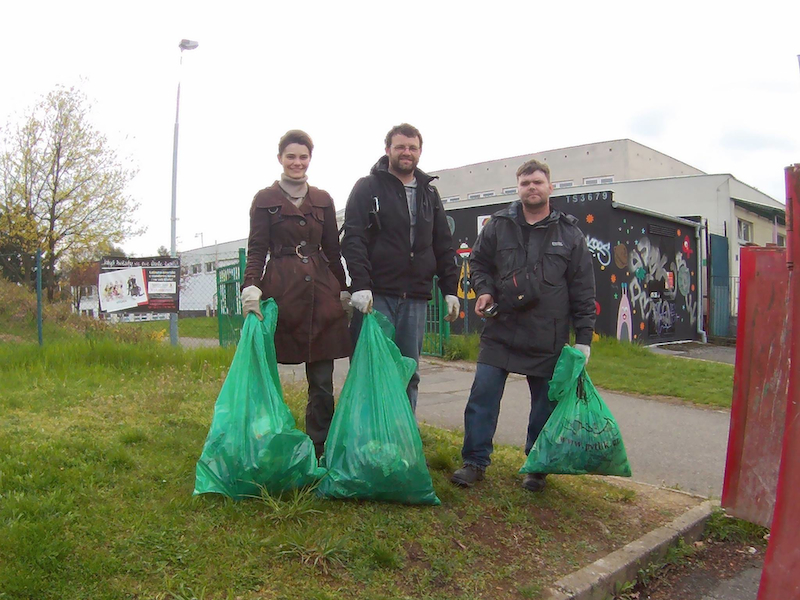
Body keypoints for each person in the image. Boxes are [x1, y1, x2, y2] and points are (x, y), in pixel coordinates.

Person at [450, 158, 596, 492]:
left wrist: (584, 338)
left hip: (548, 333)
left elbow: (583, 289)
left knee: (544, 405)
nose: (532, 188)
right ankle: (474, 462)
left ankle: (537, 466)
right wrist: (484, 291)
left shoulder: (570, 234)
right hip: (501, 328)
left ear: (550, 187)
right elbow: (478, 264)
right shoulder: (499, 225)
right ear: (518, 188)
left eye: (538, 182)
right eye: (526, 183)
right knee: (482, 395)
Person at [240, 130, 352, 459]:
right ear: (280, 159)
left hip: (322, 297)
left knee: (321, 380)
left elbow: (333, 249)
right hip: (282, 294)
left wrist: (342, 289)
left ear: (309, 160)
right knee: (266, 376)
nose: (297, 162)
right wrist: (250, 286)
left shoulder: (323, 199)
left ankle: (320, 448)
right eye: (291, 156)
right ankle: (268, 442)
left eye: (303, 157)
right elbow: (257, 248)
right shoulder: (265, 199)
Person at [341, 123, 460, 412]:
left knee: (408, 372)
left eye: (412, 147)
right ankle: (365, 438)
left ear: (419, 152)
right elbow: (353, 237)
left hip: (415, 299)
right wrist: (360, 285)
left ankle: (402, 440)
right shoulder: (367, 187)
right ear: (388, 150)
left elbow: (443, 243)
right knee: (369, 370)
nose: (406, 152)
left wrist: (450, 290)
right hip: (375, 297)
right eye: (400, 147)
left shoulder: (429, 194)